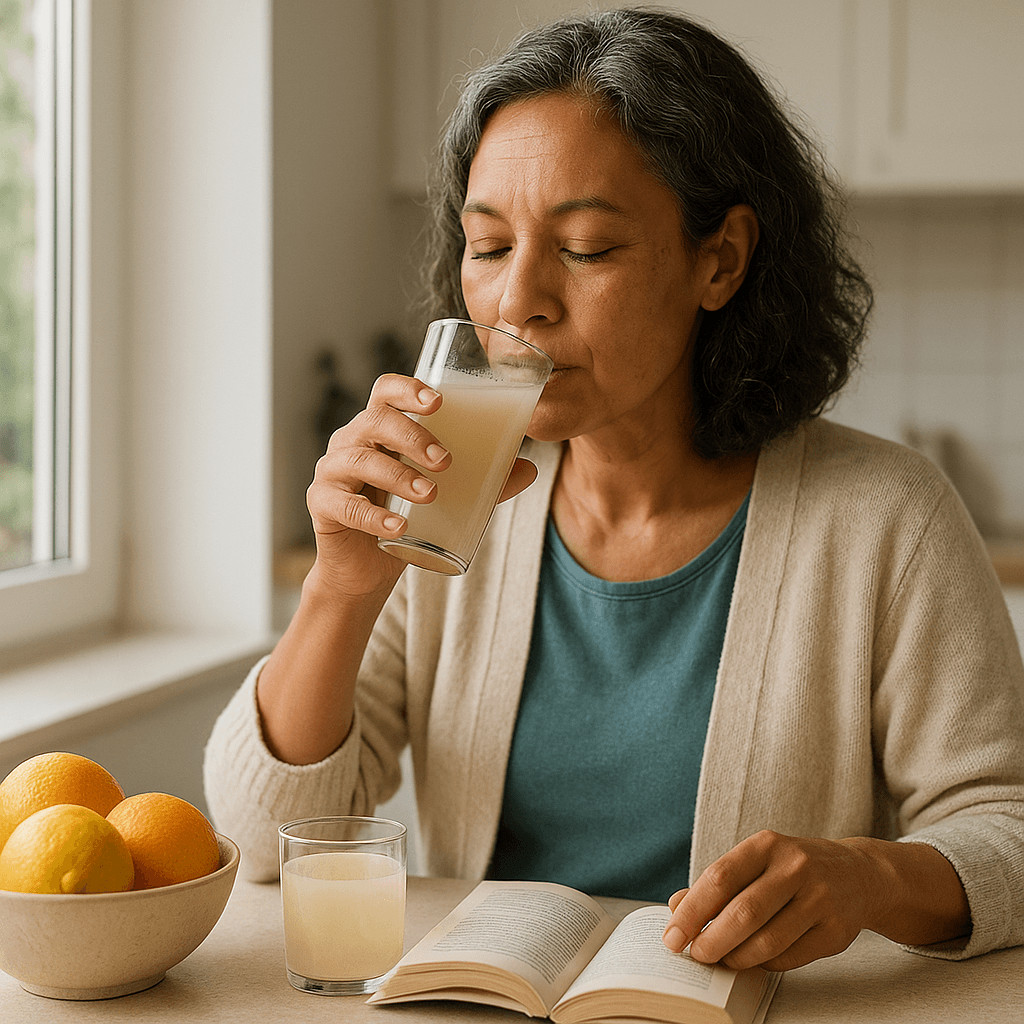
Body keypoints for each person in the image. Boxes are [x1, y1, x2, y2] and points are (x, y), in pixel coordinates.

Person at [204, 7, 1024, 971]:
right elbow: (263, 837)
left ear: (719, 260)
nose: (518, 302)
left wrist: (870, 877)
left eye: (585, 247)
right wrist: (341, 587)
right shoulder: (445, 503)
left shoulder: (891, 519)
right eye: (489, 245)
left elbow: (1006, 831)